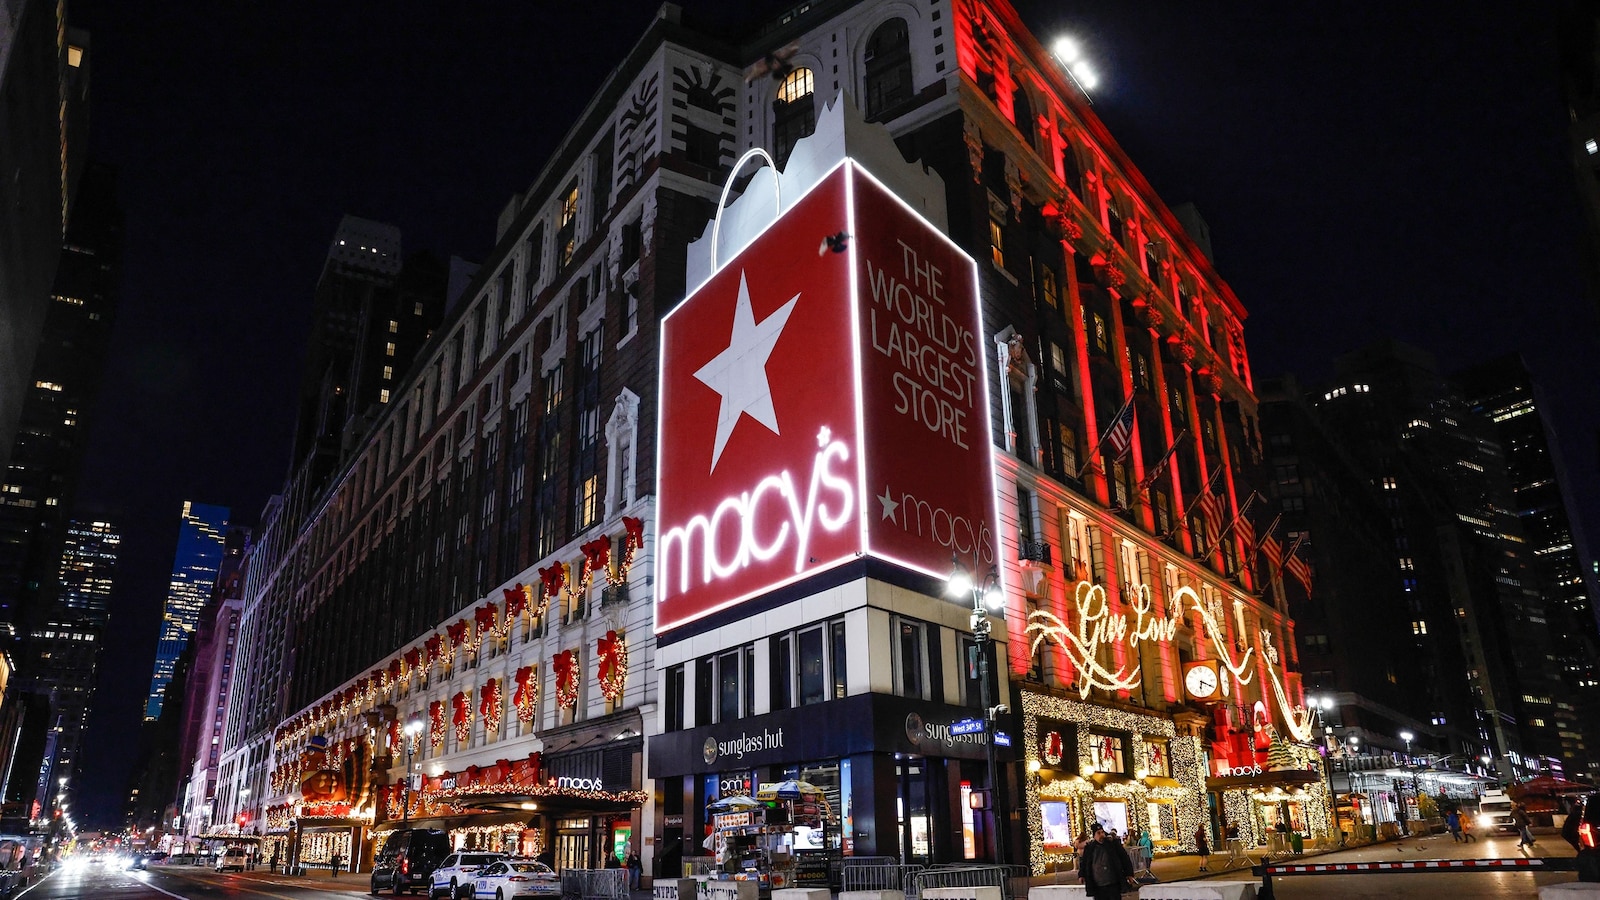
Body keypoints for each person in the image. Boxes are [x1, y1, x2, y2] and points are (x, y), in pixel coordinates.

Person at [1077, 824, 1135, 900]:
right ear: (1094, 835)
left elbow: (1124, 858)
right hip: (1098, 886)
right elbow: (1084, 862)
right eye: (1098, 833)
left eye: (1102, 832)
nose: (1101, 835)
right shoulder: (1090, 848)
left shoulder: (1113, 844)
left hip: (1113, 883)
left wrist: (1129, 873)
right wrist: (1081, 875)